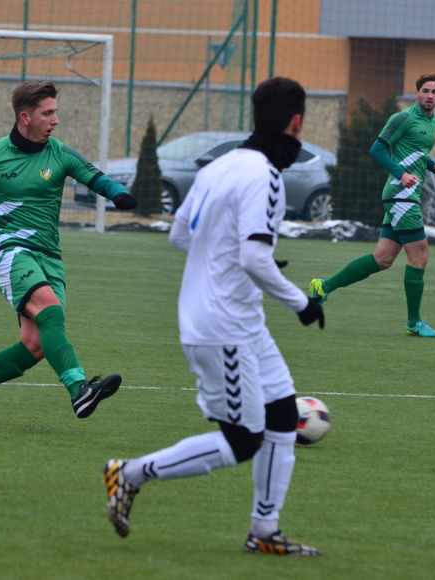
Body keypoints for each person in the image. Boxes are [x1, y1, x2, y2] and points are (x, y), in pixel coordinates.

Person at [103, 77, 324, 557]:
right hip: (223, 325)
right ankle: (129, 473)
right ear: (297, 123)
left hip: (240, 321)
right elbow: (253, 259)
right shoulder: (265, 175)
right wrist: (302, 303)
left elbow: (180, 236)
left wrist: (228, 256)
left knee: (283, 415)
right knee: (244, 440)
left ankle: (264, 532)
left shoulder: (220, 166)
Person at [0, 80, 138, 425]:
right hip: (10, 251)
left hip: (49, 256)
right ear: (25, 117)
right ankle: (79, 389)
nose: (55, 120)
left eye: (55, 112)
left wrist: (119, 194)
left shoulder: (60, 153)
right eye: (48, 113)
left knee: (34, 345)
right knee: (48, 308)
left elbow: (96, 177)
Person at [310, 73, 435, 337]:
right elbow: (378, 148)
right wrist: (402, 175)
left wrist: (433, 166)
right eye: (426, 91)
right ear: (416, 94)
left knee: (382, 259)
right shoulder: (403, 118)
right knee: (420, 256)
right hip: (401, 195)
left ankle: (323, 287)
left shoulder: (433, 121)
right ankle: (414, 323)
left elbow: (418, 152)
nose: (430, 96)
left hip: (407, 195)